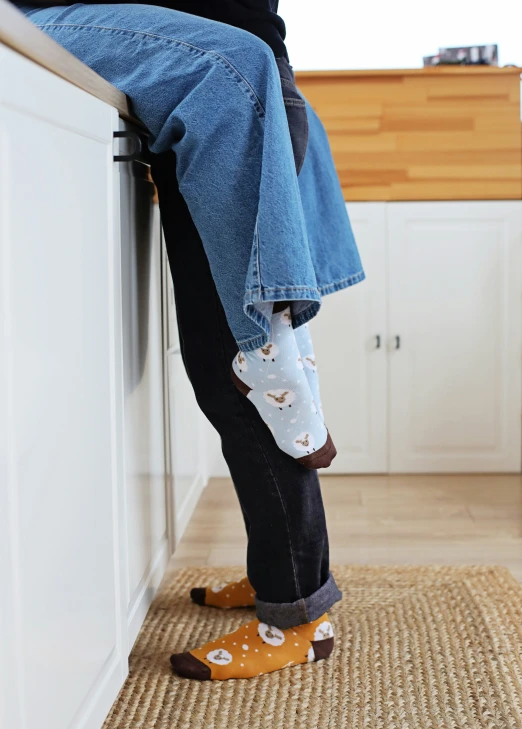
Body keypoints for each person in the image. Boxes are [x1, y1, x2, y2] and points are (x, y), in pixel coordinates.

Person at [16, 0, 364, 680]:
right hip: (243, 107)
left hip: (231, 106)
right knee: (247, 375)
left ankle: (295, 616)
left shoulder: (214, 63)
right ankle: (289, 574)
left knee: (244, 379)